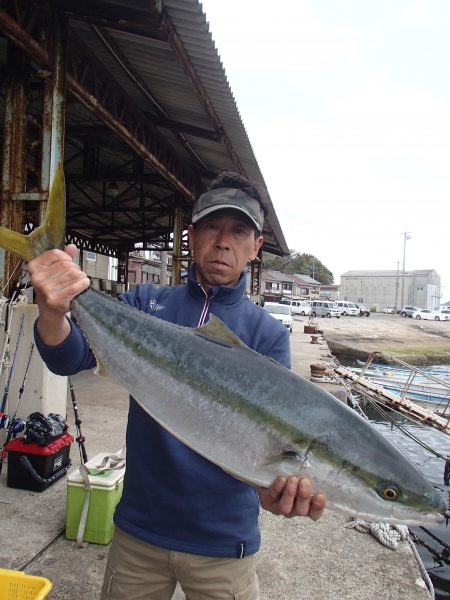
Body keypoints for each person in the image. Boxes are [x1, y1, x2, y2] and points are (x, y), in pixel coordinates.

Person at [28, 172, 325, 600]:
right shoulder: (147, 304)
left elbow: (271, 441)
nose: (224, 241)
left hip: (225, 546)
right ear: (191, 236)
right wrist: (53, 313)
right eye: (212, 227)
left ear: (255, 247)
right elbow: (69, 357)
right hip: (139, 533)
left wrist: (274, 491)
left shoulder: (267, 336)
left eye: (239, 231)